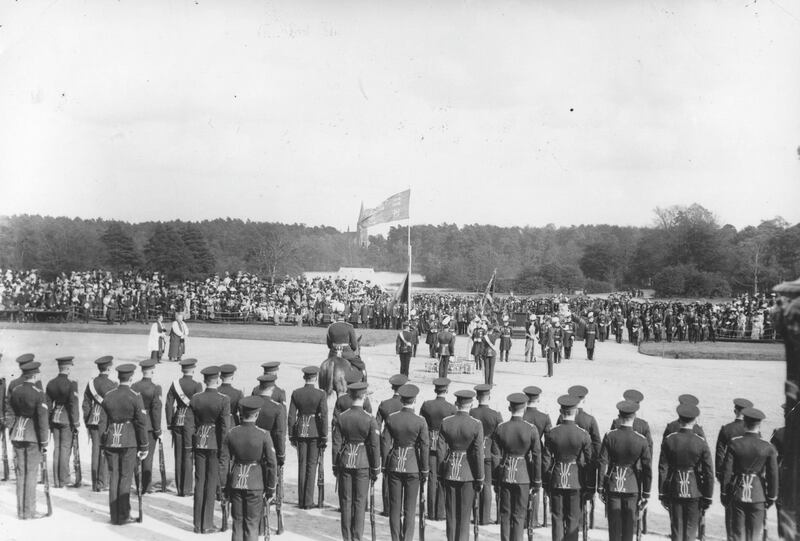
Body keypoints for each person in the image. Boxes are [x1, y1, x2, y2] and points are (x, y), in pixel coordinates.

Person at [184, 365, 231, 533]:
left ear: (204, 381)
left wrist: (190, 445)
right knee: (211, 483)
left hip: (199, 442)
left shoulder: (196, 398)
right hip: (214, 444)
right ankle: (207, 523)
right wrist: (225, 448)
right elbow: (225, 427)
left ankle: (197, 524)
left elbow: (188, 424)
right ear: (217, 380)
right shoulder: (223, 399)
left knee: (199, 482)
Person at [720, 407, 779, 541]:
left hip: (738, 493)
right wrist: (771, 497)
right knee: (754, 536)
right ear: (759, 424)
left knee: (737, 535)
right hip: (758, 494)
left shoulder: (734, 443)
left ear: (745, 424)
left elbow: (727, 472)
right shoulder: (768, 446)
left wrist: (724, 493)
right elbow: (773, 475)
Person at [380, 383, 430, 541]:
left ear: (401, 400)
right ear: (415, 400)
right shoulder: (420, 421)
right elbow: (424, 447)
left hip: (394, 465)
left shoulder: (392, 418)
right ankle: (407, 538)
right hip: (413, 466)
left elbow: (385, 443)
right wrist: (425, 470)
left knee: (395, 507)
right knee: (409, 508)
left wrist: (385, 464)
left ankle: (395, 538)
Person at [100, 363, 148, 525]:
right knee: (125, 477)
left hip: (111, 440)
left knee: (114, 476)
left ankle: (114, 515)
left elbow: (102, 423)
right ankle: (123, 514)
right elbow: (141, 423)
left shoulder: (109, 395)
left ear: (118, 377)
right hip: (129, 440)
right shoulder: (135, 396)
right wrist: (144, 446)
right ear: (131, 377)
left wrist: (102, 443)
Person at [332, 381, 380, 541]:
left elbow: (336, 444)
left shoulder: (342, 417)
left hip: (345, 461)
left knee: (345, 501)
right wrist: (376, 469)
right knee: (359, 502)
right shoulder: (369, 419)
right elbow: (374, 446)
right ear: (364, 396)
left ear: (350, 395)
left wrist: (335, 465)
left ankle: (346, 537)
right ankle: (357, 536)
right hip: (363, 462)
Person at [658, 403, 714, 541]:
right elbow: (708, 472)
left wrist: (662, 493)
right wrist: (708, 496)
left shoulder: (669, 440)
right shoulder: (700, 442)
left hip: (674, 488)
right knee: (690, 531)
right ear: (694, 420)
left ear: (679, 419)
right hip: (695, 489)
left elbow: (662, 469)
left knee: (676, 529)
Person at [225, 396, 277, 541]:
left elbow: (223, 461)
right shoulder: (263, 434)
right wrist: (271, 488)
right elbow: (272, 463)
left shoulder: (231, 433)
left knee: (237, 523)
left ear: (241, 413)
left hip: (236, 482)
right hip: (255, 483)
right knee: (252, 524)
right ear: (257, 414)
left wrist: (224, 486)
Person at [598, 401, 652, 541]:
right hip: (632, 485)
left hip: (613, 484)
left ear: (619, 417)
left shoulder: (610, 436)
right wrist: (646, 493)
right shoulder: (641, 440)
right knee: (629, 529)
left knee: (614, 528)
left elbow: (603, 462)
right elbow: (647, 468)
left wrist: (600, 487)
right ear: (634, 417)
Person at [543, 394, 593, 541]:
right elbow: (590, 462)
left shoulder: (552, 433)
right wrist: (589, 485)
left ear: (560, 411)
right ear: (576, 411)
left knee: (557, 517)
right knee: (573, 518)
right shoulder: (583, 434)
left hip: (556, 478)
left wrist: (546, 482)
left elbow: (546, 460)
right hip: (575, 480)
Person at [491, 393, 541, 541]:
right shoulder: (531, 429)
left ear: (509, 408)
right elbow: (537, 456)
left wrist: (496, 479)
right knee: (519, 515)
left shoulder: (501, 428)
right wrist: (536, 481)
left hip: (506, 474)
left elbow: (495, 456)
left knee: (505, 514)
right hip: (523, 476)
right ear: (525, 408)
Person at [437, 389, 485, 541]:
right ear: (471, 404)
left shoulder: (446, 422)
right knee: (464, 517)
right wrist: (480, 478)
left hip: (450, 471)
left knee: (451, 515)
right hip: (468, 473)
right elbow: (478, 454)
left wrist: (441, 472)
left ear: (456, 403)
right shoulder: (476, 424)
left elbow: (440, 450)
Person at [6, 361, 49, 519]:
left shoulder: (15, 390)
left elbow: (9, 411)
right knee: (31, 474)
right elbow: (42, 420)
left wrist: (12, 430)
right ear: (35, 374)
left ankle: (21, 512)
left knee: (20, 474)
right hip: (32, 437)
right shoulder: (38, 393)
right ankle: (29, 511)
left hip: (17, 434)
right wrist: (44, 442)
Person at [288, 366, 328, 509]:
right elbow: (323, 416)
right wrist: (324, 436)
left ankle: (301, 499)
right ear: (315, 378)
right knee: (312, 465)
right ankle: (308, 501)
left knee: (302, 464)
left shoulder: (296, 393)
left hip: (300, 432)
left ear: (304, 378)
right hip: (315, 432)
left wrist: (291, 434)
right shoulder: (321, 394)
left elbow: (291, 416)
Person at [714, 397, 753, 536]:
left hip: (730, 478)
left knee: (731, 517)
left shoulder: (726, 429)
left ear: (734, 410)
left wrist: (720, 476)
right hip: (749, 479)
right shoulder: (753, 431)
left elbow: (719, 455)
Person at [419, 377, 456, 522]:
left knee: (431, 478)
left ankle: (431, 511)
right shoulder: (451, 408)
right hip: (444, 446)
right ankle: (440, 512)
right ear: (446, 390)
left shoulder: (427, 405)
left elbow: (422, 424)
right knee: (442, 478)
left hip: (429, 444)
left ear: (435, 390)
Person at [166, 358, 203, 497]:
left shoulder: (175, 384)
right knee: (188, 455)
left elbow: (169, 404)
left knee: (178, 455)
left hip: (177, 421)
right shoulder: (197, 385)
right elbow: (199, 406)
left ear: (182, 370)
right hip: (190, 422)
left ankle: (180, 488)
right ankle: (187, 489)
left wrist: (170, 423)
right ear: (193, 370)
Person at [83, 355, 117, 492]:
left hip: (93, 419)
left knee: (95, 451)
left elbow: (85, 403)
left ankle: (94, 483)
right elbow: (114, 406)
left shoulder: (91, 383)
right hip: (105, 420)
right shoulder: (113, 384)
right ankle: (102, 482)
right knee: (104, 451)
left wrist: (87, 420)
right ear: (108, 368)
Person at [470, 384, 503, 525]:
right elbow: (500, 435)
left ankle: (475, 515)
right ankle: (485, 517)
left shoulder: (471, 412)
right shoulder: (496, 415)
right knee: (487, 485)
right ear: (489, 397)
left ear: (477, 397)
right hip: (489, 451)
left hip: (473, 452)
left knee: (474, 484)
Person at [45, 355, 79, 488]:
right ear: (68, 368)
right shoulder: (72, 384)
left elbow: (47, 405)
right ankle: (64, 479)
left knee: (57, 449)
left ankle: (57, 480)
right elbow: (73, 405)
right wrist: (75, 423)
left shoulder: (51, 383)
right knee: (65, 449)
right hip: (66, 420)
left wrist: (48, 422)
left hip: (55, 418)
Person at [377, 374, 408, 515]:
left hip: (387, 444)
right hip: (403, 444)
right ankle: (399, 508)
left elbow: (377, 427)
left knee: (387, 475)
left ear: (392, 388)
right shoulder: (406, 405)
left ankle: (387, 507)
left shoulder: (384, 404)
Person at [131, 359, 163, 493]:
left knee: (137, 455)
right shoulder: (156, 388)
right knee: (148, 457)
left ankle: (138, 484)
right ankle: (146, 486)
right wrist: (158, 429)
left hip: (135, 425)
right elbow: (156, 411)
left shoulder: (134, 386)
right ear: (152, 371)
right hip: (149, 426)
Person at [522, 386, 552, 527]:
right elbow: (549, 441)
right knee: (536, 484)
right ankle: (533, 519)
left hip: (521, 453)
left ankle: (522, 518)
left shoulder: (521, 415)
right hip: (537, 453)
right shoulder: (544, 417)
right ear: (538, 399)